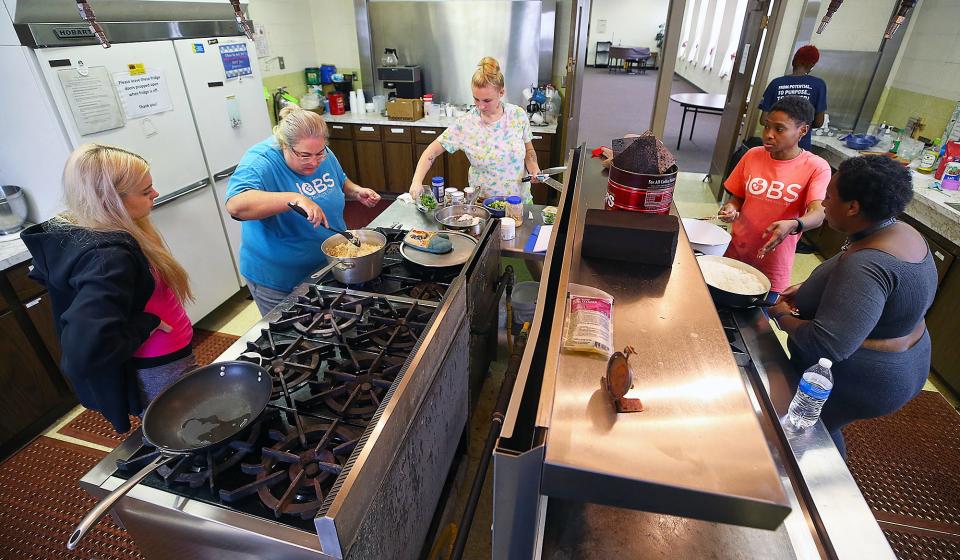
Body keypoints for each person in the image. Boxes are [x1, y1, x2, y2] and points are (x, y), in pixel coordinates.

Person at [22, 144, 197, 434]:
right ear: (110, 199)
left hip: (171, 357)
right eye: (145, 191)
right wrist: (146, 324)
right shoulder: (109, 259)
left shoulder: (105, 227)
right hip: (157, 368)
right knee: (178, 435)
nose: (155, 194)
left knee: (183, 424)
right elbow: (84, 353)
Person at [768, 155, 937, 456]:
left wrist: (782, 316)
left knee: (812, 428)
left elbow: (829, 345)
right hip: (908, 361)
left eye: (829, 197)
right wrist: (811, 290)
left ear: (853, 207)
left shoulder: (868, 265)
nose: (822, 204)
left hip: (862, 379)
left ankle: (811, 493)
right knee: (821, 425)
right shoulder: (898, 232)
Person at [226, 105, 381, 315]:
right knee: (291, 340)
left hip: (326, 268)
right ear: (284, 145)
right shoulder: (261, 161)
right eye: (305, 156)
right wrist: (295, 198)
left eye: (320, 154)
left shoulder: (319, 150)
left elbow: (339, 180)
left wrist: (356, 191)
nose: (314, 162)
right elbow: (236, 206)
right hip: (279, 280)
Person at [719, 96, 831, 299]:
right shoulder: (753, 155)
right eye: (767, 127)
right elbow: (738, 198)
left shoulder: (815, 167)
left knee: (755, 324)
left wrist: (794, 224)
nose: (768, 135)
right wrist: (732, 208)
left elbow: (819, 213)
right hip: (735, 254)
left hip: (772, 265)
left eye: (779, 129)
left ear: (803, 131)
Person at [408, 57, 541, 202]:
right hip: (483, 205)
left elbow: (529, 150)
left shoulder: (517, 115)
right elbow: (432, 151)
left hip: (520, 202)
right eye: (476, 99)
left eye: (487, 100)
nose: (480, 106)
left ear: (501, 92)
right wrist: (416, 181)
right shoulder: (466, 124)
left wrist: (533, 166)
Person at [759, 44, 827, 151]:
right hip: (799, 148)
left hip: (774, 145)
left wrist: (780, 127)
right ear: (811, 65)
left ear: (793, 62)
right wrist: (798, 126)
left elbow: (763, 120)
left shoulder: (776, 83)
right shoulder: (818, 85)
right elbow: (819, 122)